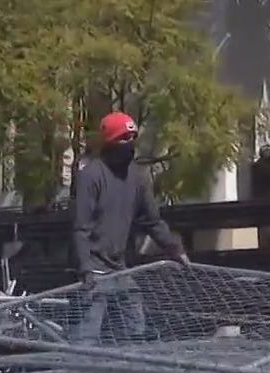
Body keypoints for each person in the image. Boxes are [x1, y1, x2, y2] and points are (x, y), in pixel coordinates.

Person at [71, 112, 189, 345]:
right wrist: (85, 269)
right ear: (111, 143)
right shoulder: (91, 176)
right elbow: (80, 228)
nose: (129, 144)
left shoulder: (138, 177)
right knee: (87, 335)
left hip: (120, 268)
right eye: (123, 138)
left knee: (133, 325)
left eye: (132, 138)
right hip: (95, 269)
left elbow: (152, 221)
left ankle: (126, 370)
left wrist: (174, 248)